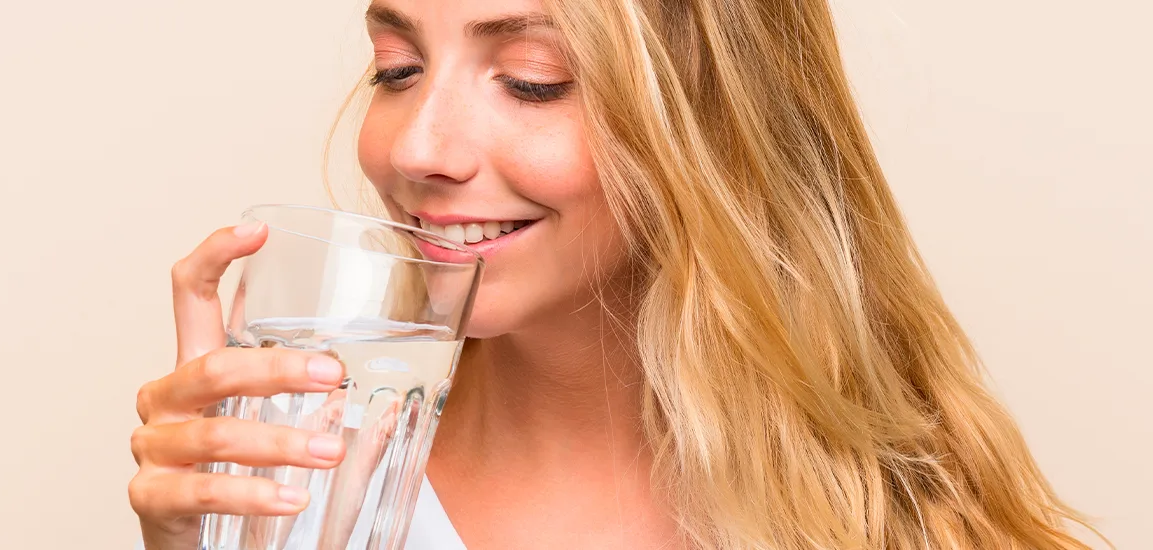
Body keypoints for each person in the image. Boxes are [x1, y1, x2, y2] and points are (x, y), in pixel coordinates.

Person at [130, 0, 1099, 548]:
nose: (419, 147)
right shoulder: (306, 483)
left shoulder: (912, 523)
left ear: (713, 127)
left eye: (532, 79)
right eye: (396, 68)